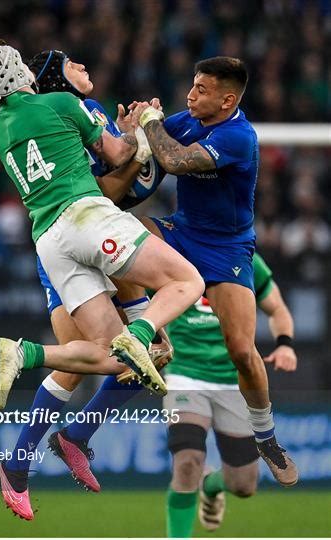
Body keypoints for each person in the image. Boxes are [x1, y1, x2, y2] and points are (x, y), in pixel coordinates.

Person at [0, 36, 204, 509]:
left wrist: (127, 146)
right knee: (149, 326)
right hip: (89, 225)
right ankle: (21, 460)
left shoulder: (1, 128)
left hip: (52, 235)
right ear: (44, 78)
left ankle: (68, 427)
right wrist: (140, 139)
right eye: (70, 63)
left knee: (139, 356)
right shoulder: (69, 106)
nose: (82, 64)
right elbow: (114, 182)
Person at [128, 56, 298, 486]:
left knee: (241, 350)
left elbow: (177, 160)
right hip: (184, 233)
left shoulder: (238, 136)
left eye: (201, 90)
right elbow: (152, 144)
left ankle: (266, 435)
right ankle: (148, 331)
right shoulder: (189, 119)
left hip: (228, 248)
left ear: (226, 100)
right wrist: (130, 130)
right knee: (119, 240)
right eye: (192, 85)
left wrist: (151, 125)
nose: (190, 94)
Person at [164, 253, 297, 537]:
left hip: (234, 379)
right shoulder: (170, 251)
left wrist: (285, 344)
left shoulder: (246, 259)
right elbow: (134, 298)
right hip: (184, 372)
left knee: (243, 484)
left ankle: (210, 485)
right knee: (187, 462)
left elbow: (277, 310)